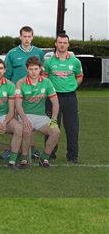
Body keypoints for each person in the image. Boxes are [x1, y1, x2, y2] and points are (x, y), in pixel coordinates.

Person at [43, 33, 82, 163]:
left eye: (64, 43)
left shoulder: (75, 61)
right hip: (53, 98)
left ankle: (72, 156)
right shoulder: (49, 62)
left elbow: (79, 76)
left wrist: (72, 87)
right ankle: (50, 154)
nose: (62, 45)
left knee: (72, 127)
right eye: (59, 42)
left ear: (68, 45)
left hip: (70, 97)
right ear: (55, 44)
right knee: (52, 126)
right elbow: (45, 78)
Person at [16, 56, 60, 168]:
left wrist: (54, 120)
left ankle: (44, 158)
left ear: (40, 69)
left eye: (36, 69)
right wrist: (25, 119)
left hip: (41, 116)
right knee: (26, 130)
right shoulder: (21, 83)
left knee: (56, 132)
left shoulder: (47, 82)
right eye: (31, 69)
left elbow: (55, 103)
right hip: (24, 115)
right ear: (27, 69)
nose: (33, 72)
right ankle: (24, 158)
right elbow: (18, 105)